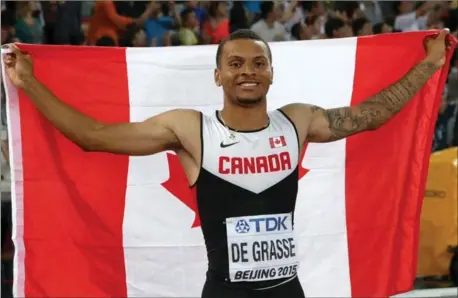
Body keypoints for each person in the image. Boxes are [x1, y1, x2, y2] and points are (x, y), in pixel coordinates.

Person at [2, 28, 452, 298]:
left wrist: (430, 65)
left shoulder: (297, 122)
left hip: (287, 293)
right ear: (218, 75)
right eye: (235, 63)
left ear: (272, 72)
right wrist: (30, 84)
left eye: (259, 63)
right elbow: (94, 137)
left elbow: (371, 115)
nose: (248, 71)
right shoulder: (190, 130)